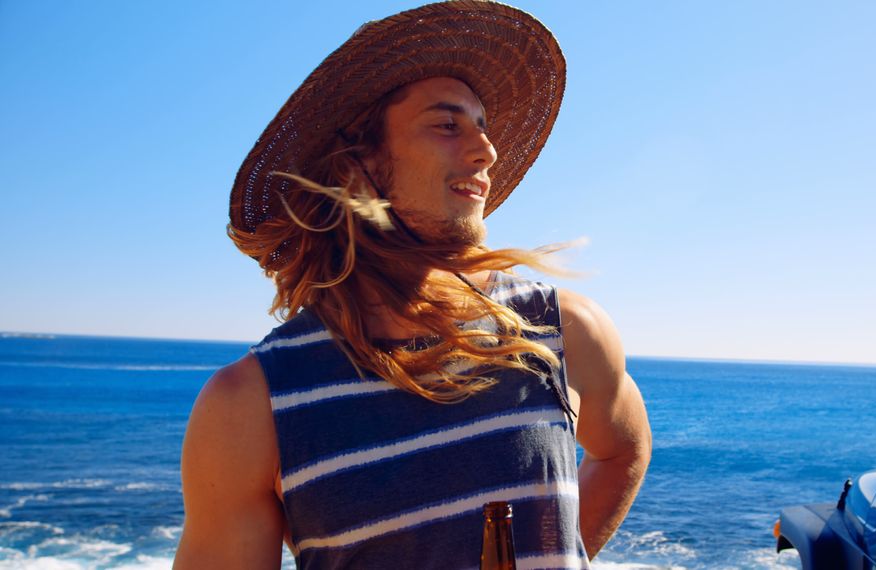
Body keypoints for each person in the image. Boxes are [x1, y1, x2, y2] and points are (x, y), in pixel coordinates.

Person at [174, 2, 651, 569]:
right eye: (448, 125)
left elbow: (623, 450)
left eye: (482, 127)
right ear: (357, 166)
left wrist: (567, 556)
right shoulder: (250, 404)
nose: (487, 151)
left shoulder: (560, 329)